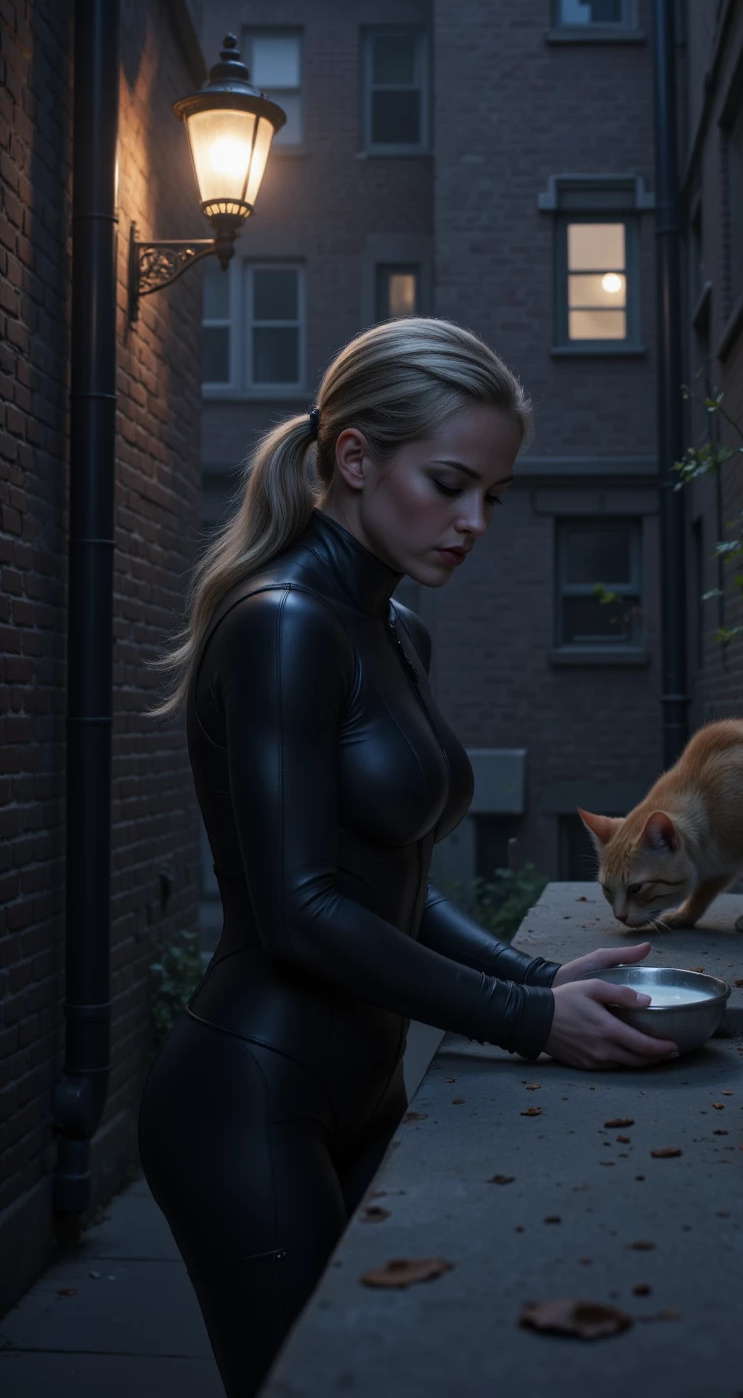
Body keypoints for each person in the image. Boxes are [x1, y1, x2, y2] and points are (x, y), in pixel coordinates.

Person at [139, 317, 679, 1397]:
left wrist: (538, 977)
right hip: (249, 1099)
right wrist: (526, 1020)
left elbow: (393, 883)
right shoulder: (284, 623)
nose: (474, 521)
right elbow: (301, 909)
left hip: (366, 1086)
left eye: (494, 493)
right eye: (449, 483)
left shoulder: (393, 628)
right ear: (352, 459)